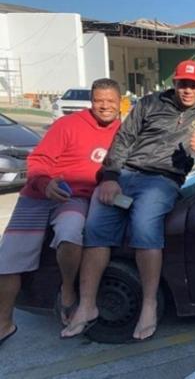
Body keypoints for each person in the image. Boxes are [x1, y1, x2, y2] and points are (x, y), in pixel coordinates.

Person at [62, 60, 195, 340]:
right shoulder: (150, 103)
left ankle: (149, 305)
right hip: (125, 175)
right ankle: (87, 305)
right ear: (174, 83)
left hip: (162, 180)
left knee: (144, 227)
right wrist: (111, 176)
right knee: (95, 228)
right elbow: (124, 139)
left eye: (193, 85)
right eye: (182, 83)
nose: (187, 90)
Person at [0, 78, 122, 346]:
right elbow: (39, 160)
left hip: (74, 198)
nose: (104, 107)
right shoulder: (68, 125)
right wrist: (45, 183)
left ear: (119, 103)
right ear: (91, 102)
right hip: (38, 194)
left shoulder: (124, 133)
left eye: (110, 101)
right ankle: (4, 324)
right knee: (8, 258)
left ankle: (68, 290)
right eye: (99, 101)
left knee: (70, 232)